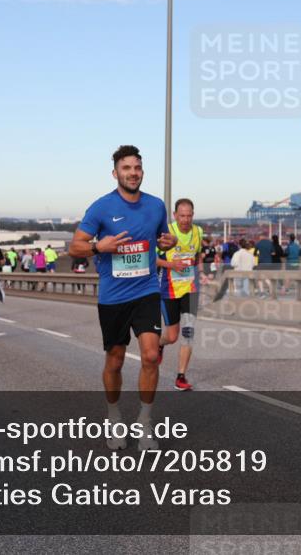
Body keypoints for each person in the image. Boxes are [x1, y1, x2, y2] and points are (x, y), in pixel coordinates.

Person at [69, 145, 175, 451]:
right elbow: (75, 247)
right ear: (116, 173)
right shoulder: (101, 207)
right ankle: (114, 418)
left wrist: (166, 242)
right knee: (114, 360)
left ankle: (145, 424)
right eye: (126, 168)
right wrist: (98, 247)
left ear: (142, 171)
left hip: (146, 291)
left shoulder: (156, 206)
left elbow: (163, 240)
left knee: (151, 356)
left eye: (137, 167)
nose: (133, 173)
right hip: (114, 296)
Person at [157, 198, 207, 391]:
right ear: (175, 215)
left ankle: (181, 376)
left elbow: (198, 255)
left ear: (193, 215)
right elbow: (152, 259)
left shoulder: (198, 232)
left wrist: (201, 273)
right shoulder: (166, 233)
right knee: (171, 336)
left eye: (189, 215)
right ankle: (161, 344)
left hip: (190, 290)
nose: (186, 219)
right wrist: (171, 265)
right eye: (182, 215)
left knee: (188, 334)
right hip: (169, 290)